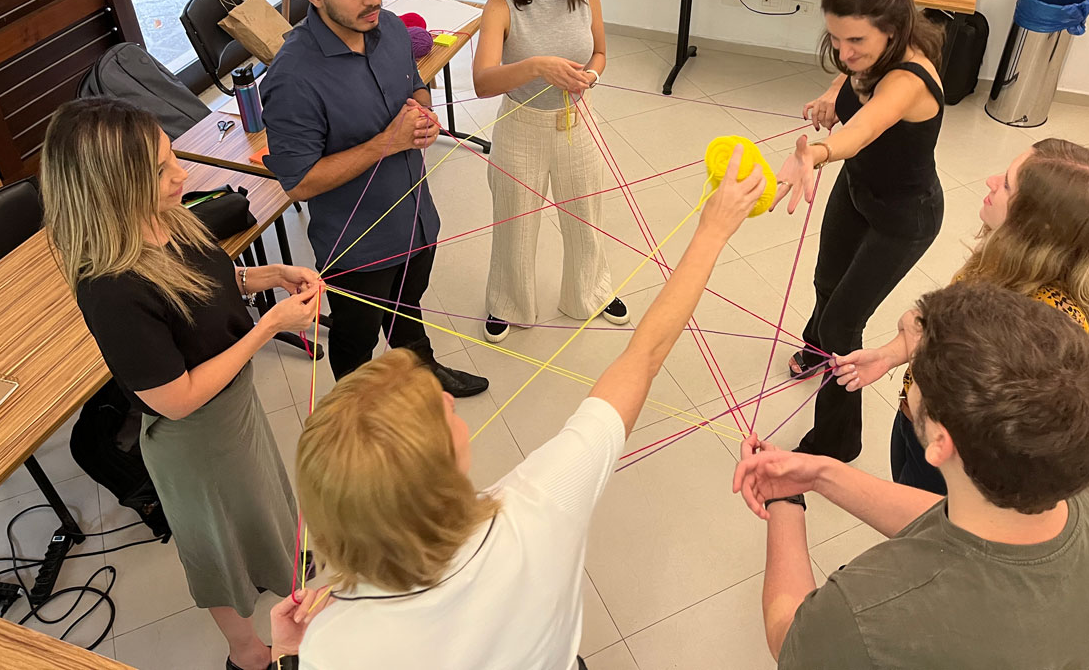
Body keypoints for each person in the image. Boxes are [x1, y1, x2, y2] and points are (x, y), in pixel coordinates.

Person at [267, 147, 766, 670]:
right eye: (433, 414)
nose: (442, 396)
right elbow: (643, 357)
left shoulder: (332, 645)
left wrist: (286, 655)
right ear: (436, 478)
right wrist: (711, 231)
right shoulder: (538, 505)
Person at [42, 98, 322, 670]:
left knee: (266, 503)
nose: (182, 175)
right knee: (215, 546)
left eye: (172, 158)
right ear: (112, 187)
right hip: (194, 438)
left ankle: (282, 579)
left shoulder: (165, 219)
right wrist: (269, 325)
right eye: (161, 171)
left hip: (234, 413)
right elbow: (175, 398)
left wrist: (270, 276)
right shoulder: (111, 286)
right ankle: (246, 654)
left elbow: (209, 285)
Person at [733, 282, 1089, 670]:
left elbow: (791, 640)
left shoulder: (865, 616)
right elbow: (975, 526)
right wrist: (821, 474)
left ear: (940, 442)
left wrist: (783, 499)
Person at [261, 0, 486, 395]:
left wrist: (423, 114)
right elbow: (297, 183)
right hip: (358, 248)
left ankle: (425, 376)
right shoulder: (291, 79)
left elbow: (416, 87)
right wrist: (389, 141)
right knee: (356, 338)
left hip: (417, 218)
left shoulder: (388, 28)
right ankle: (358, 416)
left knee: (409, 307)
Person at [834, 139, 1089, 493]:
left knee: (923, 532)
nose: (990, 180)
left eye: (1006, 184)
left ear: (1036, 223)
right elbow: (941, 326)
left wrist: (927, 339)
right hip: (918, 425)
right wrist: (893, 353)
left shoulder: (1051, 328)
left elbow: (985, 414)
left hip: (954, 464)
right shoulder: (1005, 260)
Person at [770, 0, 945, 462]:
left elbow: (863, 129)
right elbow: (851, 83)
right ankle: (814, 345)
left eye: (856, 44)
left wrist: (815, 152)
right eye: (836, 40)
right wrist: (830, 93)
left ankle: (837, 442)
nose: (844, 54)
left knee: (844, 322)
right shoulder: (864, 57)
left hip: (904, 217)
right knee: (826, 283)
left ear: (892, 31)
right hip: (858, 190)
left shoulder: (909, 78)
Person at [472, 0, 629, 344]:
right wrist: (538, 65)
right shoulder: (500, 5)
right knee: (516, 221)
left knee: (585, 215)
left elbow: (599, 53)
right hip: (521, 125)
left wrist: (589, 79)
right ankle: (506, 302)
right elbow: (483, 80)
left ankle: (590, 293)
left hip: (579, 121)